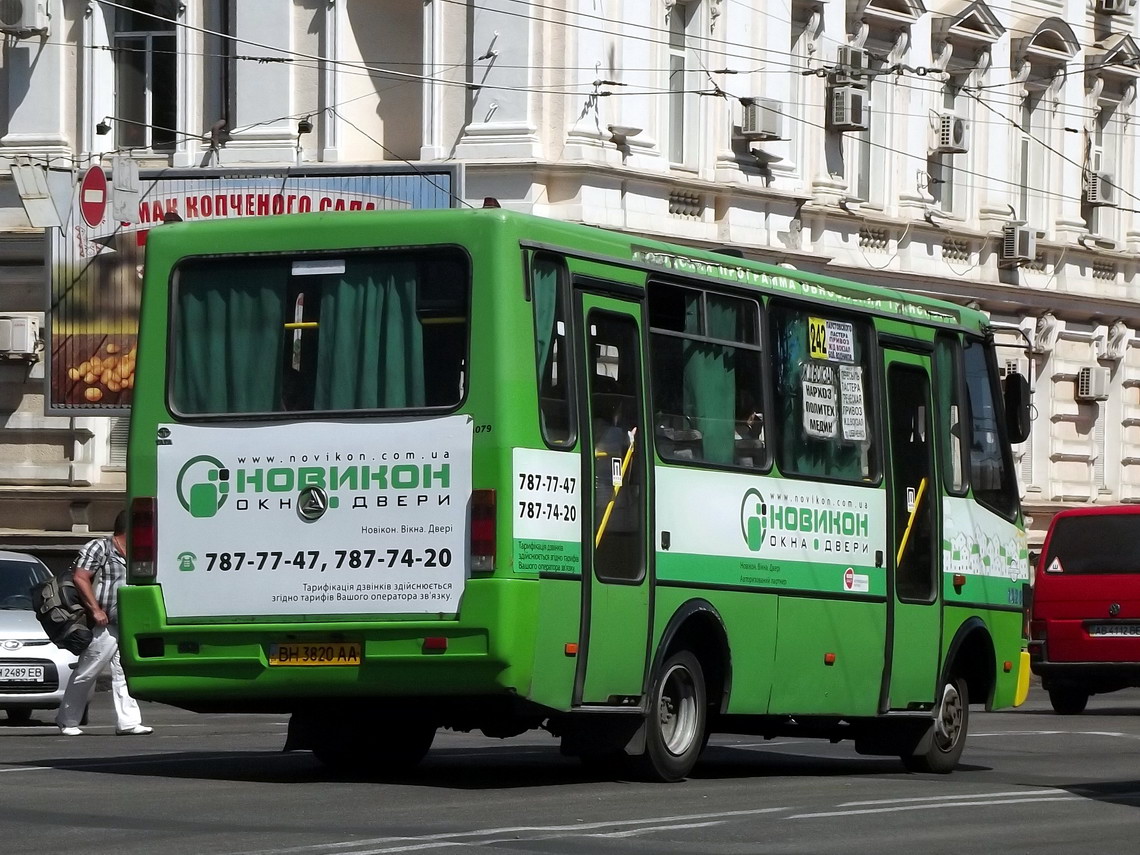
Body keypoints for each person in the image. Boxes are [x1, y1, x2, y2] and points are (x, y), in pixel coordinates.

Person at [56, 510, 153, 736]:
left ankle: (128, 722)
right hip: (105, 621)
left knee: (124, 671)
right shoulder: (100, 547)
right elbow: (80, 577)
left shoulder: (138, 551)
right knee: (89, 670)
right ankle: (67, 720)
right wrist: (95, 609)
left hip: (129, 622)